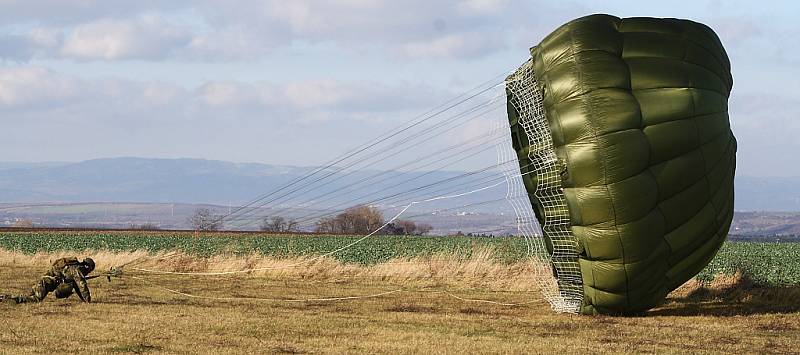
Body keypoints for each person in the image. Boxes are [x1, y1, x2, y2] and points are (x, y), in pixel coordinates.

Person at [2, 257, 95, 304]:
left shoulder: (71, 268)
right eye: (90, 270)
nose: (88, 272)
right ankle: (6, 299)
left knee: (27, 297)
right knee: (36, 299)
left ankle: (5, 297)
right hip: (45, 283)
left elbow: (77, 287)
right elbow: (82, 285)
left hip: (44, 280)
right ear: (87, 267)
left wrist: (85, 300)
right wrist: (88, 299)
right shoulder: (76, 270)